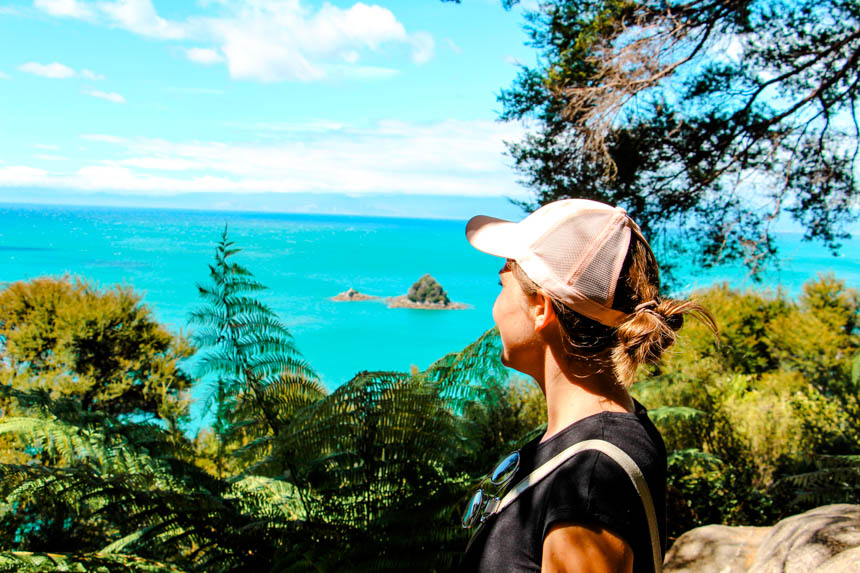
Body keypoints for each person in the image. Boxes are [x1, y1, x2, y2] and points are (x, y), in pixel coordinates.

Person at [458, 199, 715, 573]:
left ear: (541, 308)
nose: (495, 306)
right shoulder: (599, 437)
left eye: (502, 283)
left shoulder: (588, 482)